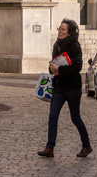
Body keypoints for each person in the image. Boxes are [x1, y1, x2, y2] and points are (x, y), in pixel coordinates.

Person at [38, 18, 92, 159]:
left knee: (75, 118)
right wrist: (52, 69)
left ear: (69, 33)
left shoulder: (75, 46)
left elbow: (77, 68)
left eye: (63, 29)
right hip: (58, 88)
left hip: (72, 88)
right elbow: (53, 65)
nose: (60, 31)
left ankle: (86, 145)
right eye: (59, 29)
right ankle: (50, 147)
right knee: (53, 117)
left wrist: (59, 69)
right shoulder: (57, 45)